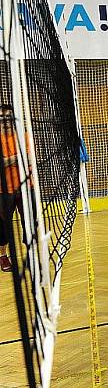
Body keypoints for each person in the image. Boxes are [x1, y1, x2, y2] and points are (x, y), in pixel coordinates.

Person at [0, 105, 22, 273]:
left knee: (29, 222)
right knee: (3, 226)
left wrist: (7, 160)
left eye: (8, 117)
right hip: (2, 191)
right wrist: (15, 159)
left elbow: (29, 159)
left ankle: (33, 252)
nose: (5, 120)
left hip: (23, 187)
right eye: (2, 117)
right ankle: (3, 256)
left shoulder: (22, 137)